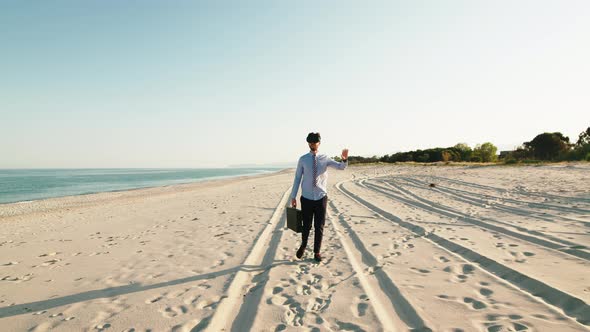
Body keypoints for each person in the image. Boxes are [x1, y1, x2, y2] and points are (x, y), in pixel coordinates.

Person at [290, 132, 349, 262]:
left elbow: (341, 167)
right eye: (310, 142)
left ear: (319, 143)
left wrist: (344, 159)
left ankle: (317, 252)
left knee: (319, 226)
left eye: (315, 142)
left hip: (321, 198)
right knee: (306, 225)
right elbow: (297, 178)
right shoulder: (303, 159)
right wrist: (293, 196)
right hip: (306, 198)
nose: (312, 144)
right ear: (308, 143)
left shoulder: (325, 158)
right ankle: (304, 245)